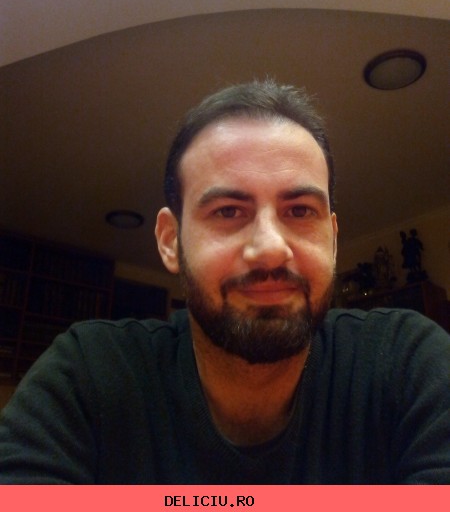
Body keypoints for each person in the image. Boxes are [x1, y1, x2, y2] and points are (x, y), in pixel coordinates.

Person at [0, 79, 449, 484]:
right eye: (228, 211)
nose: (270, 248)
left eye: (300, 211)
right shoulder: (88, 377)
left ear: (332, 239)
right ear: (170, 240)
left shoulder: (408, 363)